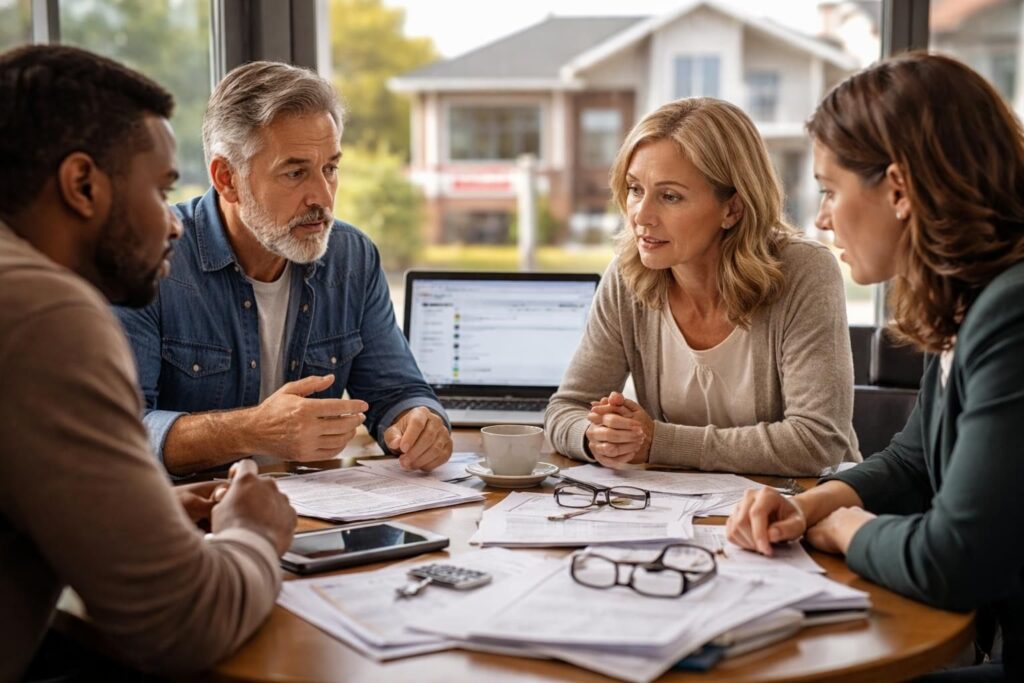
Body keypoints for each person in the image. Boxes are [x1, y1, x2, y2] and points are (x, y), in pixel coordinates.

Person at [0, 45, 296, 679]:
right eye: (161, 189)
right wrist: (253, 530)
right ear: (83, 185)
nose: (175, 223)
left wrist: (135, 516)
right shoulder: (44, 311)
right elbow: (183, 624)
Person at [726, 53, 1024, 680]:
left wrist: (843, 528)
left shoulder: (1011, 311)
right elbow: (916, 459)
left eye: (831, 189)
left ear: (898, 188)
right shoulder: (972, 299)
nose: (821, 216)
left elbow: (955, 560)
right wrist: (808, 507)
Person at [114, 61, 451, 477]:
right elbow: (121, 435)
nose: (323, 197)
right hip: (190, 521)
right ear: (227, 179)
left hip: (316, 517)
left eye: (330, 168)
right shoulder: (149, 258)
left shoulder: (352, 257)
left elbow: (397, 392)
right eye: (295, 173)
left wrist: (418, 422)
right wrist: (251, 431)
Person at [545, 98, 859, 476]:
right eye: (634, 189)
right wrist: (596, 436)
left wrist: (659, 441)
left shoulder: (803, 271)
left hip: (800, 510)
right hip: (676, 511)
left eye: (670, 196)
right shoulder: (628, 275)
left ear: (733, 209)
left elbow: (818, 442)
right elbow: (565, 410)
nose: (641, 216)